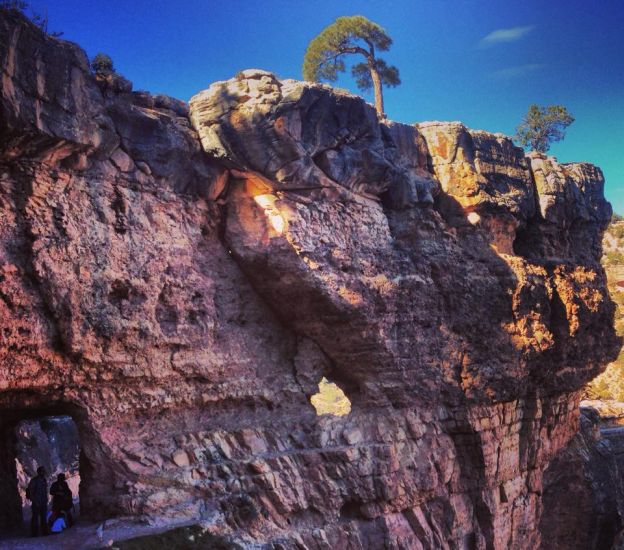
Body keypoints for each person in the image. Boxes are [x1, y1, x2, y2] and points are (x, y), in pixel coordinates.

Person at [26, 466, 48, 537]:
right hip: (36, 502)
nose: (44, 473)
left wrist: (46, 499)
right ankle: (34, 533)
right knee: (35, 518)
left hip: (43, 502)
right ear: (39, 472)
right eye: (43, 471)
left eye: (44, 471)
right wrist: (34, 501)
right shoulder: (34, 481)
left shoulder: (44, 480)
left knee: (43, 517)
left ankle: (44, 532)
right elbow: (31, 492)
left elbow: (45, 491)